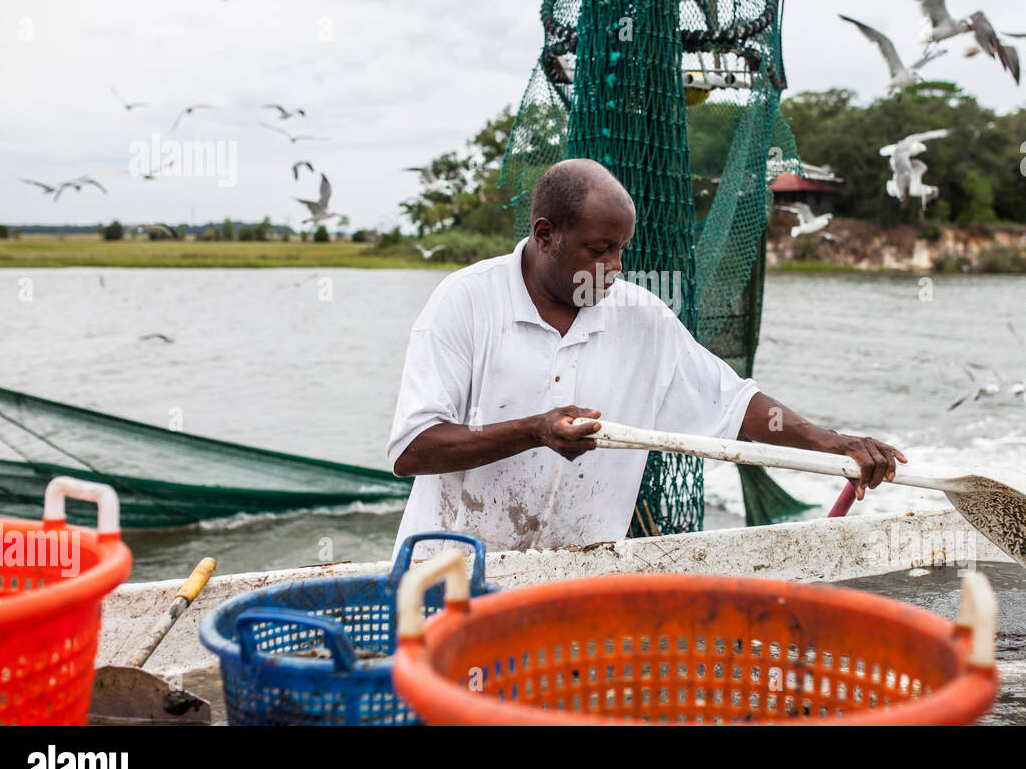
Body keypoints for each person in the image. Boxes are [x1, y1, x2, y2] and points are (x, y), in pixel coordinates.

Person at [387, 158, 905, 556]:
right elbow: (413, 449)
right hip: (453, 580)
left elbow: (734, 402)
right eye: (598, 250)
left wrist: (829, 443)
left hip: (573, 589)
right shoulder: (466, 302)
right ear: (545, 235)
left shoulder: (642, 318)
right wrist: (534, 431)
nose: (614, 268)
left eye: (621, 250)